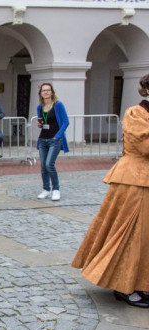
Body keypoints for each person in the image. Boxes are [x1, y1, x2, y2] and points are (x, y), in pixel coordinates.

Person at [72, 74, 149, 308]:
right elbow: (145, 145)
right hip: (135, 181)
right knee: (131, 234)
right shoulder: (136, 113)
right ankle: (124, 286)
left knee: (144, 237)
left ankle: (140, 282)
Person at [35, 83, 69, 201]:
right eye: (43, 90)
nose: (45, 92)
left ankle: (56, 189)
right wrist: (39, 124)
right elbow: (42, 122)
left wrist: (57, 136)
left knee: (49, 164)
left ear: (52, 92)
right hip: (42, 139)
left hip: (54, 140)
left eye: (48, 90)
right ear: (41, 93)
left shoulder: (58, 105)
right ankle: (46, 189)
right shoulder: (40, 107)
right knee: (43, 166)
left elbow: (66, 122)